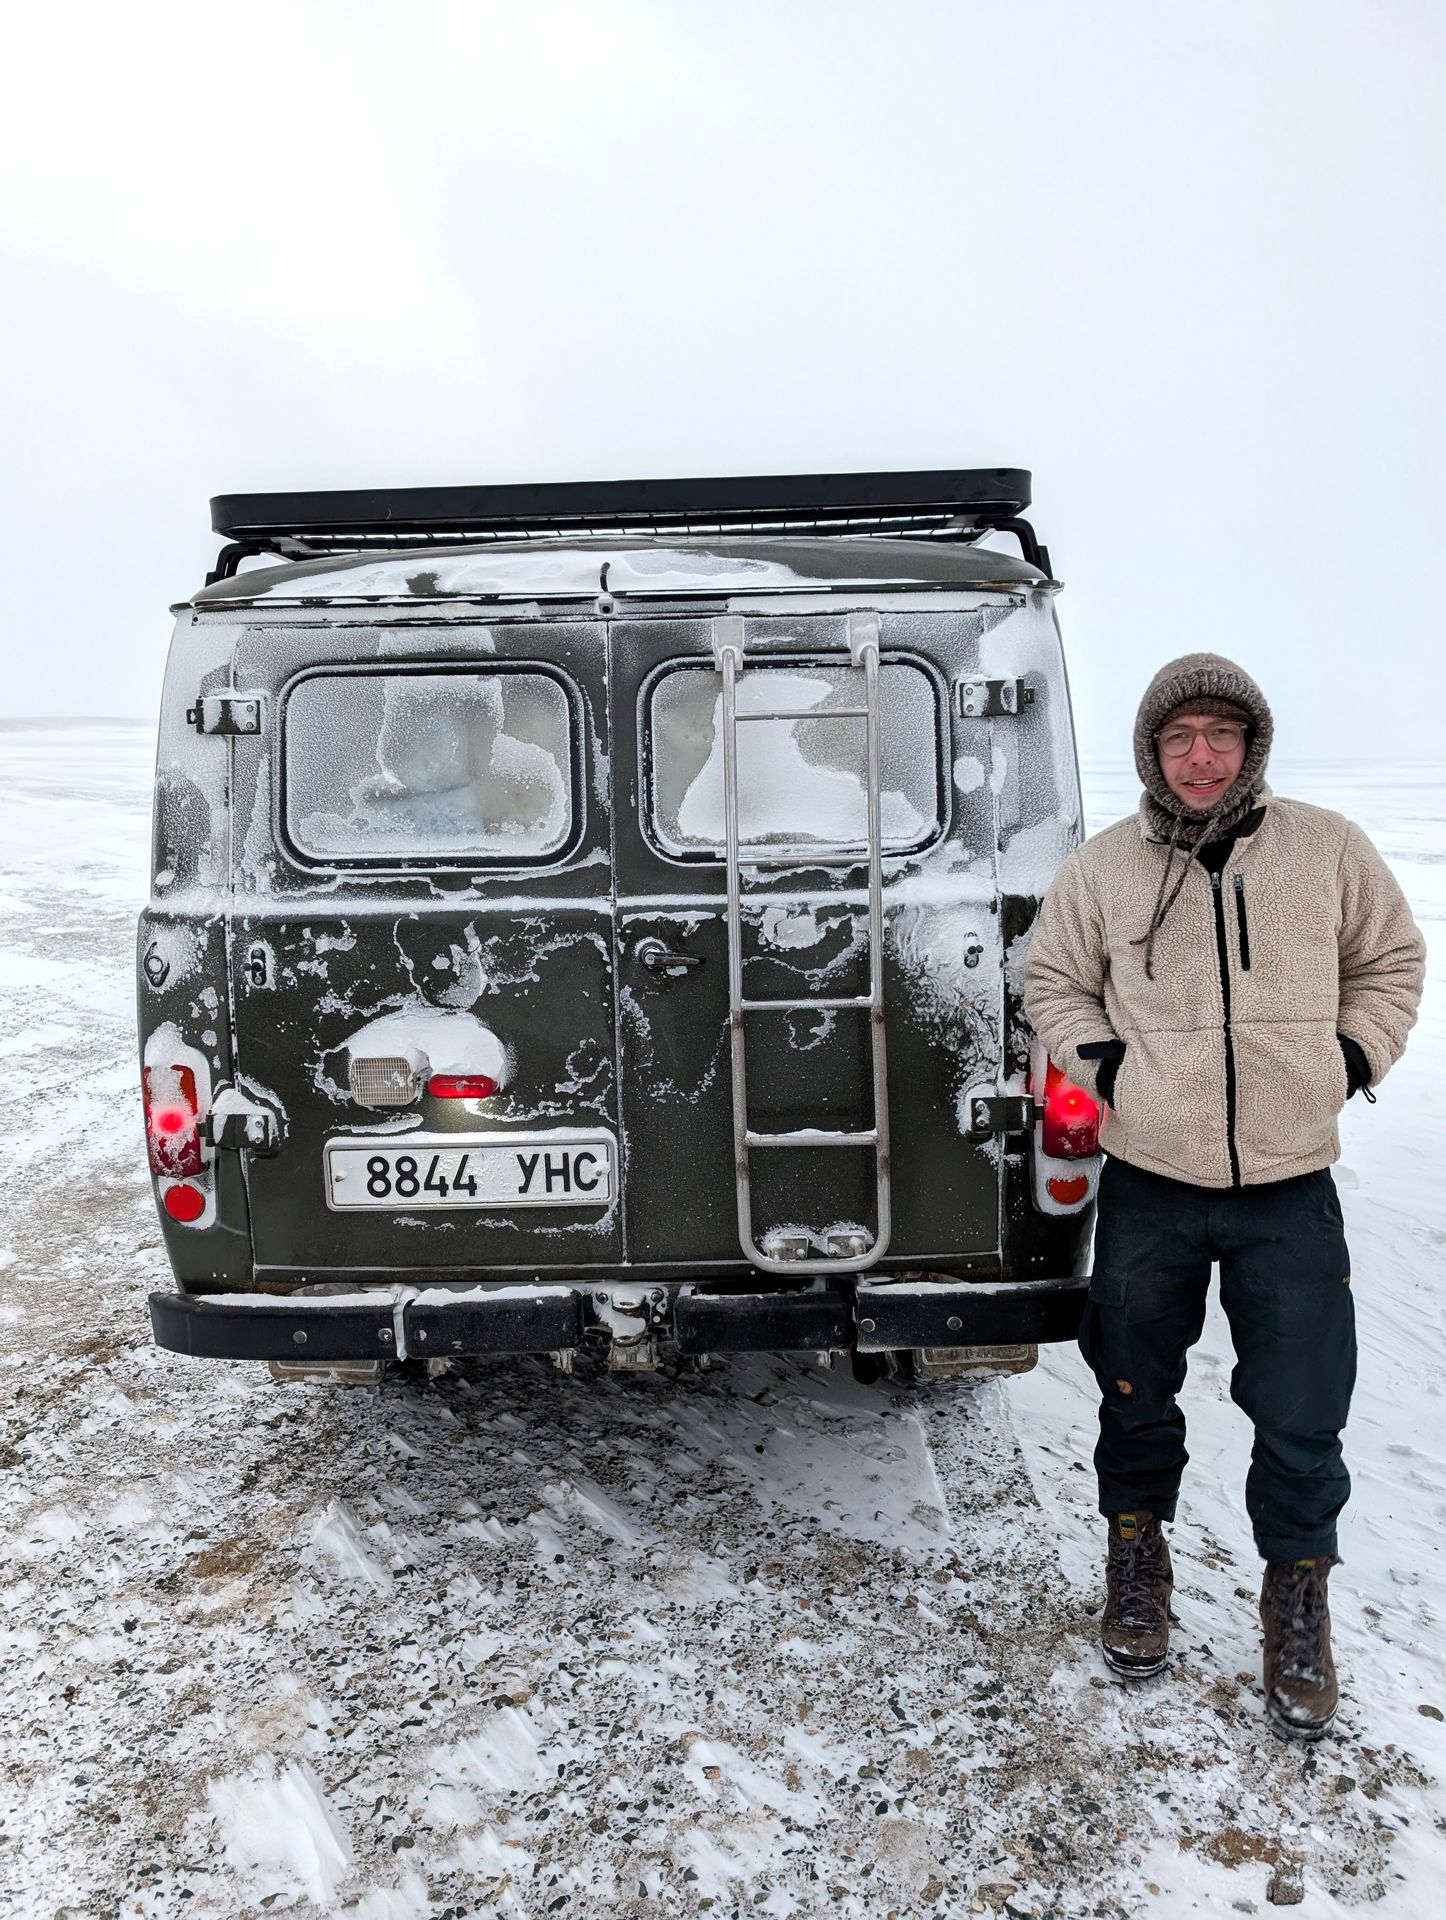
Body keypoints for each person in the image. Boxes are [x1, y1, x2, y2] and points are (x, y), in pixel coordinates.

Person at [1023, 651, 1426, 1739]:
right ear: (1151, 753)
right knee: (1132, 1387)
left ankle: (1298, 1596)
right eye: (1178, 739)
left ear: (1252, 748)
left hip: (1292, 1186)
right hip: (1153, 1178)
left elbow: (1391, 960)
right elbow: (1048, 976)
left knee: (1303, 1408)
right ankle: (1135, 1554)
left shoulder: (1327, 850)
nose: (1201, 758)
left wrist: (1348, 1059)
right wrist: (1108, 1067)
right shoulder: (1105, 868)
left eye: (1222, 737)